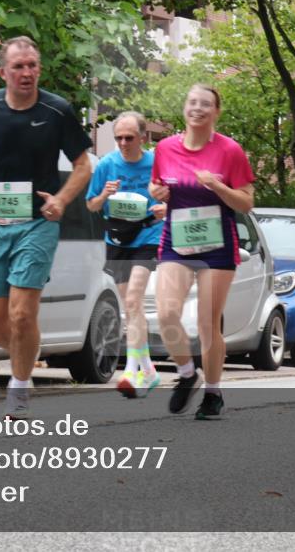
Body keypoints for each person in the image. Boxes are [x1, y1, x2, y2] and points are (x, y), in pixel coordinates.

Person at [0, 36, 92, 419]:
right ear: (3, 73)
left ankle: (18, 385)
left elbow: (83, 164)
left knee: (21, 314)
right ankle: (26, 353)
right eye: (18, 66)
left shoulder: (57, 110)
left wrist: (61, 200)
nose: (27, 72)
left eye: (32, 65)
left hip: (37, 222)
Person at [149, 84, 255, 420]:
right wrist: (158, 194)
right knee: (166, 313)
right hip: (177, 241)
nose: (197, 108)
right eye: (192, 102)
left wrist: (219, 186)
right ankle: (185, 373)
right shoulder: (165, 147)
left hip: (217, 246)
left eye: (205, 104)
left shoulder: (230, 151)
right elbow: (156, 186)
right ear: (184, 108)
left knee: (208, 323)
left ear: (216, 112)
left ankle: (213, 393)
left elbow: (246, 201)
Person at [86, 111, 166, 398]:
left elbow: (173, 193)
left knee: (134, 297)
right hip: (118, 236)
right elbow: (92, 207)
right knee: (130, 306)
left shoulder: (156, 161)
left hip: (147, 234)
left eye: (128, 138)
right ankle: (149, 369)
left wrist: (165, 203)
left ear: (143, 137)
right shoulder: (107, 164)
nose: (122, 142)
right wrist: (105, 195)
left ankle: (132, 370)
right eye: (118, 137)